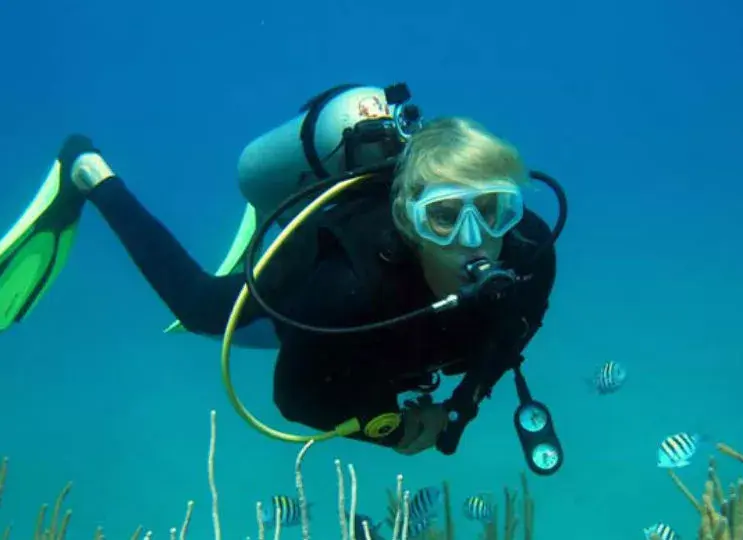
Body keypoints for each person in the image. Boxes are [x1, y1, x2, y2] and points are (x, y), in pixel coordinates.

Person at [0, 83, 560, 456]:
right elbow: (295, 396)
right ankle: (89, 174)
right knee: (200, 309)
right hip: (313, 277)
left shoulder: (529, 252)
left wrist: (459, 409)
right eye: (441, 218)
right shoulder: (343, 289)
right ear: (409, 223)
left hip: (387, 339)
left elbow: (512, 334)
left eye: (492, 211)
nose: (473, 240)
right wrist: (386, 428)